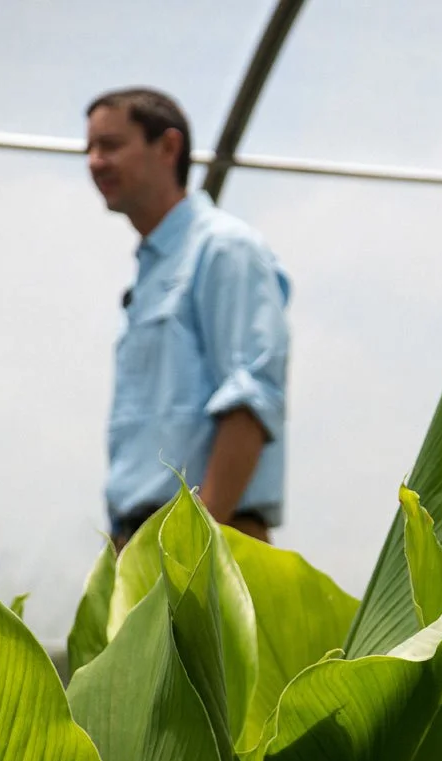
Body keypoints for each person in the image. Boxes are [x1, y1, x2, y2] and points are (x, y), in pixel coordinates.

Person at [85, 87, 290, 553]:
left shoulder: (224, 249)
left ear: (168, 147)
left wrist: (198, 546)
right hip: (143, 544)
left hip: (204, 543)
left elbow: (250, 400)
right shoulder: (154, 266)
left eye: (111, 145)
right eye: (90, 149)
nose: (95, 162)